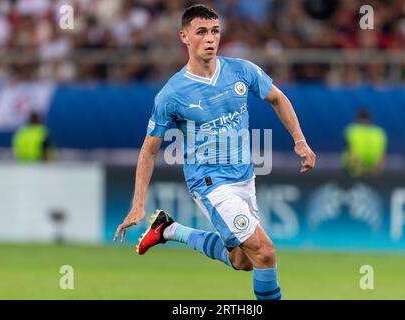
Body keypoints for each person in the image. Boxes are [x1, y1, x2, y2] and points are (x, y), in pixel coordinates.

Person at [113, 4, 316, 300]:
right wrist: (137, 203)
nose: (210, 38)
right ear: (184, 37)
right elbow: (149, 150)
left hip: (245, 179)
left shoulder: (241, 70)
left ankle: (169, 229)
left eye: (215, 31)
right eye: (202, 32)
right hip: (210, 184)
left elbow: (277, 98)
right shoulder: (172, 94)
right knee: (265, 252)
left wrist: (300, 141)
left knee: (243, 261)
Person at [342, 108, 387, 177]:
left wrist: (359, 168)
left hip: (355, 170)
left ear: (357, 118)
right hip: (373, 170)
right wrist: (378, 169)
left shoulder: (352, 130)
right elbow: (383, 155)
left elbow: (350, 151)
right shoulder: (379, 132)